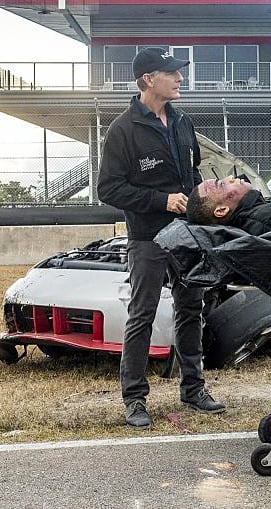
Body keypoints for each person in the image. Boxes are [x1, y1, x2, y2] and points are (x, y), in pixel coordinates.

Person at [97, 47, 225, 429]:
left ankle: (193, 387)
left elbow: (194, 173)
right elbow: (109, 189)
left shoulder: (183, 121)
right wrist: (161, 200)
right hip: (148, 237)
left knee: (192, 310)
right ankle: (134, 398)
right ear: (149, 79)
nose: (180, 78)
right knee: (143, 314)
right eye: (172, 73)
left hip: (187, 234)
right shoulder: (122, 129)